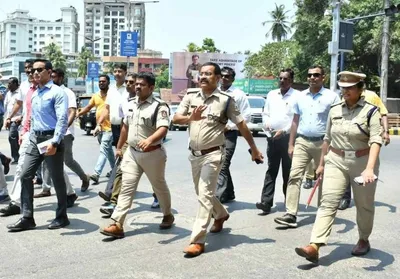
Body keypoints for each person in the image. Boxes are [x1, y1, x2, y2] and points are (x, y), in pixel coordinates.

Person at [173, 62, 264, 257]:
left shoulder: (225, 100)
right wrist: (191, 118)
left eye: (208, 74)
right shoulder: (190, 96)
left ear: (217, 78)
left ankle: (197, 240)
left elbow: (241, 125)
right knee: (201, 192)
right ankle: (221, 214)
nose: (203, 77)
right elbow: (176, 118)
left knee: (205, 194)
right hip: (194, 154)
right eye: (201, 74)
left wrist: (254, 149)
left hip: (214, 153)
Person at [295, 71, 383, 263]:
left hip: (362, 161)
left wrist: (369, 169)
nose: (345, 91)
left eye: (350, 88)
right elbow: (327, 138)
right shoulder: (335, 110)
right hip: (336, 159)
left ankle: (363, 239)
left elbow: (376, 140)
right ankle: (315, 245)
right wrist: (321, 164)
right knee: (328, 201)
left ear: (360, 89)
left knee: (364, 205)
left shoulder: (370, 111)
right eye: (342, 88)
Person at [100, 72, 174, 238]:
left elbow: (163, 128)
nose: (138, 87)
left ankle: (167, 214)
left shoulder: (159, 106)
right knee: (127, 188)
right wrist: (119, 147)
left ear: (151, 88)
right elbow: (125, 126)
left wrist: (150, 140)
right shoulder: (131, 103)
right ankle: (117, 223)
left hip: (153, 154)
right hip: (132, 153)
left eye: (142, 84)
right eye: (137, 84)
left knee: (159, 187)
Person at [7, 59, 70, 232]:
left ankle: (62, 216)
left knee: (57, 179)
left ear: (49, 72)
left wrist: (55, 142)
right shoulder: (34, 93)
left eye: (39, 70)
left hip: (51, 139)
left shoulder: (57, 93)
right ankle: (27, 217)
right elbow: (33, 117)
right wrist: (27, 133)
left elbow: (62, 120)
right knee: (25, 174)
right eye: (33, 70)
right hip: (35, 138)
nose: (35, 73)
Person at [274, 65, 340, 228]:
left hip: (323, 143)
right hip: (302, 141)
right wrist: (291, 144)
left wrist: (334, 146)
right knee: (294, 176)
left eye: (316, 75)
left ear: (323, 77)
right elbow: (295, 121)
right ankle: (291, 214)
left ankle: (322, 213)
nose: (312, 78)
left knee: (322, 179)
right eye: (310, 75)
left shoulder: (332, 97)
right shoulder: (301, 96)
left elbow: (337, 122)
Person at [337, 73, 390, 210]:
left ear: (360, 85)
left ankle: (363, 197)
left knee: (362, 166)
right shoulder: (343, 96)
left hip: (367, 137)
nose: (346, 89)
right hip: (348, 135)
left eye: (352, 85)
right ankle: (345, 197)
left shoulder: (372, 96)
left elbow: (383, 113)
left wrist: (386, 131)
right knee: (345, 163)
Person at [256, 68, 299, 214]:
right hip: (272, 138)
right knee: (271, 170)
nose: (282, 81)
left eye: (285, 79)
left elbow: (296, 119)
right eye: (280, 78)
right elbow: (266, 112)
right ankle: (266, 202)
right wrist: (267, 122)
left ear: (291, 80)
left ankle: (290, 205)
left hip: (288, 139)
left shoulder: (297, 96)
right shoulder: (272, 94)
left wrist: (285, 131)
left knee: (288, 172)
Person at [0, 68, 37, 217]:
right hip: (29, 134)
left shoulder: (53, 91)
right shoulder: (26, 89)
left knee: (55, 170)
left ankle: (68, 193)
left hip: (47, 137)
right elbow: (24, 109)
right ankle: (15, 202)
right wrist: (22, 129)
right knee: (21, 167)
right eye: (29, 72)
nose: (32, 74)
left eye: (36, 71)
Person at [99, 73, 137, 217]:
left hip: (147, 146)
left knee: (155, 179)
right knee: (120, 169)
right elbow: (124, 126)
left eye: (132, 82)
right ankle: (114, 203)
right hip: (129, 142)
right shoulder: (124, 102)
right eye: (127, 82)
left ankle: (160, 199)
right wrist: (120, 147)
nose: (129, 84)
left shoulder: (152, 102)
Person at [215, 66, 251, 203]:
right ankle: (229, 193)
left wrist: (230, 126)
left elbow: (246, 115)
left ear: (232, 79)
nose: (224, 79)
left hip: (230, 134)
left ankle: (217, 198)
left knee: (223, 164)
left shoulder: (238, 94)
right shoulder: (214, 91)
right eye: (222, 76)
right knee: (219, 163)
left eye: (227, 76)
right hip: (214, 133)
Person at [52, 69, 89, 191]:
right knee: (49, 161)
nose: (52, 79)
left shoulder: (68, 93)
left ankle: (84, 178)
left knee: (67, 160)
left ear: (61, 78)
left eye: (54, 77)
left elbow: (72, 112)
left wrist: (63, 128)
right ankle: (46, 188)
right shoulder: (50, 92)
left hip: (65, 133)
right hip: (51, 131)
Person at [77, 75, 115, 186]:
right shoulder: (96, 96)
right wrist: (78, 113)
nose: (101, 83)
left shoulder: (112, 95)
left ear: (108, 83)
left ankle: (96, 174)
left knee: (103, 149)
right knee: (108, 152)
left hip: (110, 127)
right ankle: (115, 170)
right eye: (100, 81)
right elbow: (89, 107)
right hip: (99, 128)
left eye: (103, 81)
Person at [4, 77, 22, 164]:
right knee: (12, 138)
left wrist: (21, 117)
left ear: (15, 84)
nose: (8, 85)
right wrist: (6, 119)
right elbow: (7, 108)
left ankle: (17, 157)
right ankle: (17, 156)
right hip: (9, 120)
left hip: (17, 119)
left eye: (10, 83)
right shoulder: (8, 94)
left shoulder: (20, 93)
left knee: (12, 136)